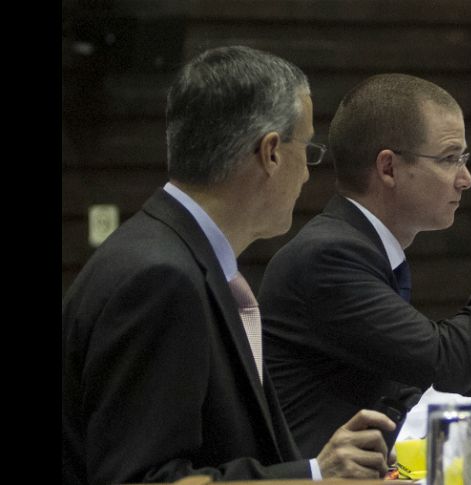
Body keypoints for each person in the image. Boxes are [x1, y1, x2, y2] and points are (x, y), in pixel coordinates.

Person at [62, 46, 396, 485]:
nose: (307, 173)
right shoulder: (160, 278)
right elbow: (144, 480)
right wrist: (314, 475)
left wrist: (313, 469)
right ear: (271, 152)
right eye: (307, 149)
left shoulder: (168, 253)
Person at [258, 73, 471, 457]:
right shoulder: (329, 257)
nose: (466, 179)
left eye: (464, 159)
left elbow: (412, 372)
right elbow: (446, 362)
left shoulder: (360, 246)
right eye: (450, 158)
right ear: (388, 168)